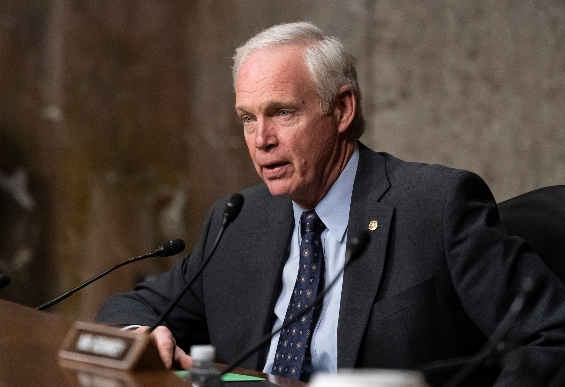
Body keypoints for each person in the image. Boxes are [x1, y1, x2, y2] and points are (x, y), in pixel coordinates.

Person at [96, 22, 565, 385]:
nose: (261, 140)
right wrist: (142, 336)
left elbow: (550, 335)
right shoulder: (239, 219)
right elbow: (129, 308)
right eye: (247, 118)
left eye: (282, 112)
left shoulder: (435, 207)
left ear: (342, 110)